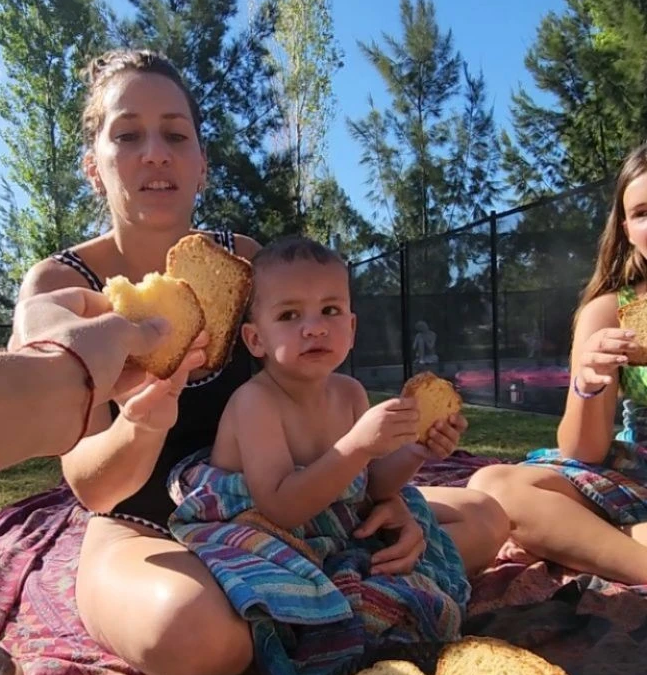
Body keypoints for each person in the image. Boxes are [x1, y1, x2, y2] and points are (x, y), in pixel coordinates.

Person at [9, 48, 432, 675]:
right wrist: (144, 423)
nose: (156, 151)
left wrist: (384, 493)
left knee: (482, 518)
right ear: (94, 166)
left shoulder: (244, 263)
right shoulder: (64, 285)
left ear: (201, 163)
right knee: (201, 638)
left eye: (176, 134)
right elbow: (92, 487)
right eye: (128, 134)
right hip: (138, 523)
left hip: (274, 510)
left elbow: (312, 398)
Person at [211, 235, 508, 576]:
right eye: (290, 314)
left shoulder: (350, 393)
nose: (316, 328)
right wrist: (357, 446)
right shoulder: (256, 402)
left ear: (351, 330)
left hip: (334, 528)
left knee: (483, 523)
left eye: (330, 310)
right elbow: (280, 509)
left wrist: (415, 450)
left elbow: (371, 488)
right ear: (256, 339)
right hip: (264, 539)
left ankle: (373, 580)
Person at [469, 143, 647, 586]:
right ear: (626, 229)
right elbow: (582, 453)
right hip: (637, 473)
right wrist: (591, 384)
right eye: (643, 212)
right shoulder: (609, 313)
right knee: (494, 489)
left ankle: (592, 542)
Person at [0, 287, 202, 506]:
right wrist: (58, 374)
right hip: (128, 523)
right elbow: (96, 494)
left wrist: (53, 377)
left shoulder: (244, 253)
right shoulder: (54, 280)